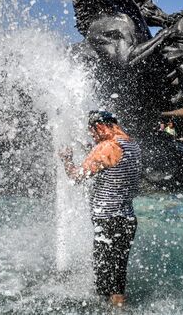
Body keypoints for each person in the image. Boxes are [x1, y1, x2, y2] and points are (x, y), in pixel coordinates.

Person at [59, 110, 141, 308]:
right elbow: (113, 164)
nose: (93, 137)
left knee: (105, 281)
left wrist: (67, 159)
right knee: (118, 277)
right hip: (127, 219)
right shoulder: (132, 145)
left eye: (93, 133)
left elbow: (77, 177)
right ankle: (116, 307)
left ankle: (113, 310)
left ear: (101, 127)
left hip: (108, 221)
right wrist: (90, 147)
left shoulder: (107, 147)